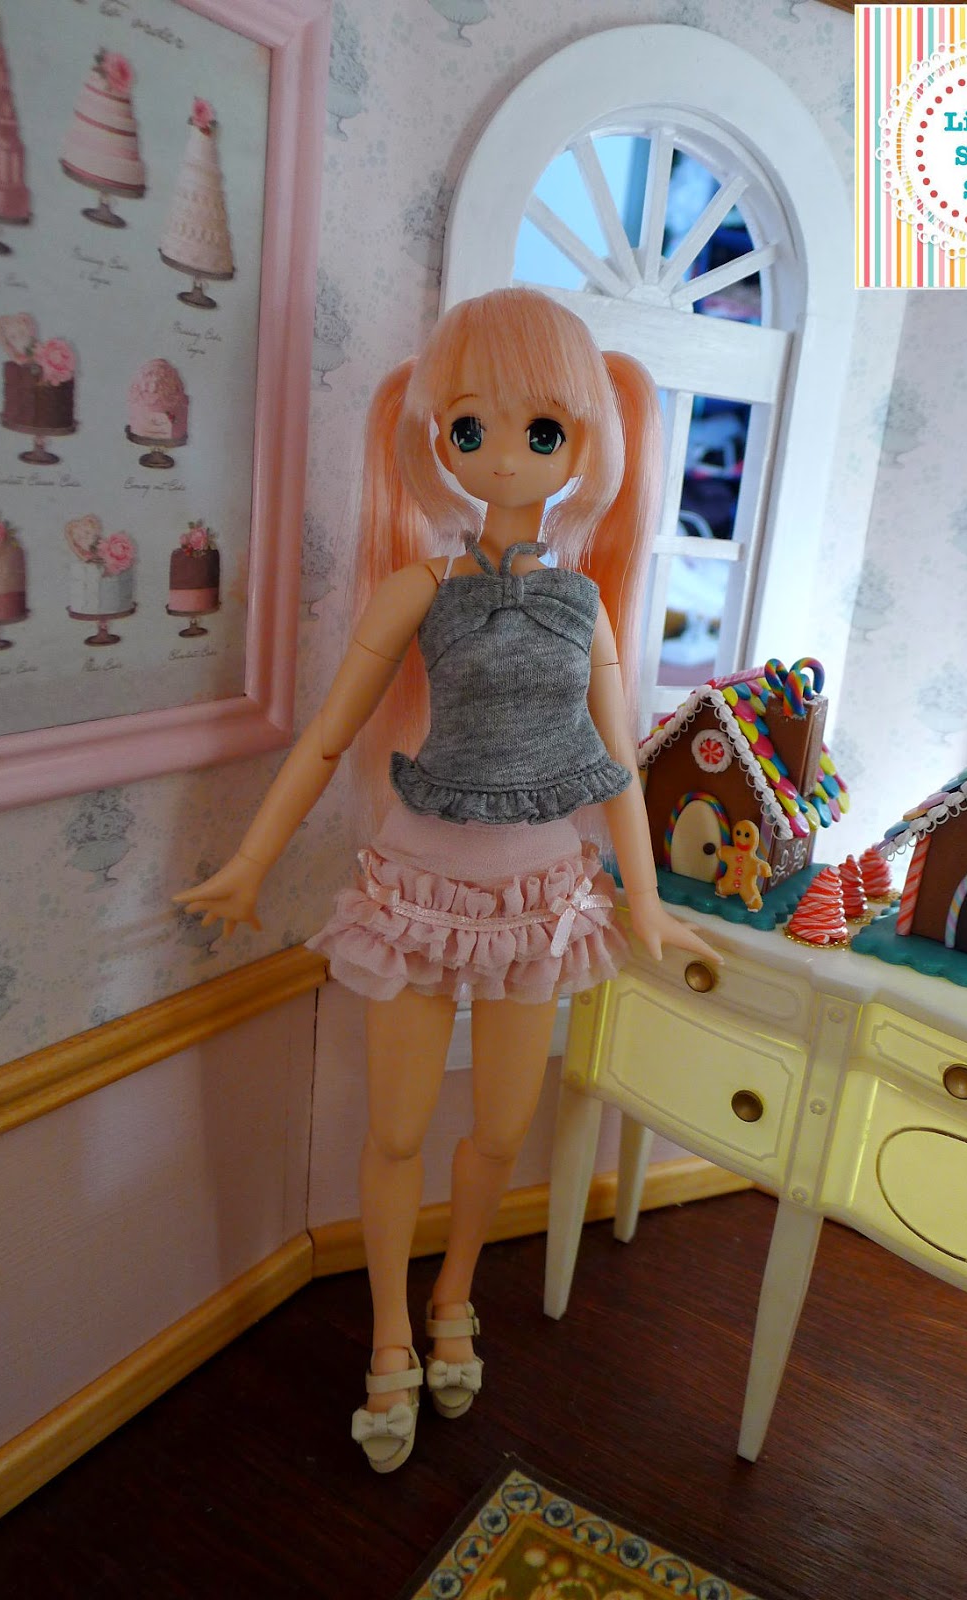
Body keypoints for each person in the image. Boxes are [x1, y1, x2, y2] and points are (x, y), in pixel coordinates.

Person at [175, 287, 719, 1473]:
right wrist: (251, 859)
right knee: (399, 1130)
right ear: (437, 438)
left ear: (583, 443)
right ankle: (388, 1329)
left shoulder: (584, 606)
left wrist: (648, 899)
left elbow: (618, 762)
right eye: (472, 428)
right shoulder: (418, 589)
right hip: (421, 888)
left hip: (540, 898)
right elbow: (328, 737)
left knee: (503, 1125)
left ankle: (454, 1292)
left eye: (542, 430)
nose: (506, 456)